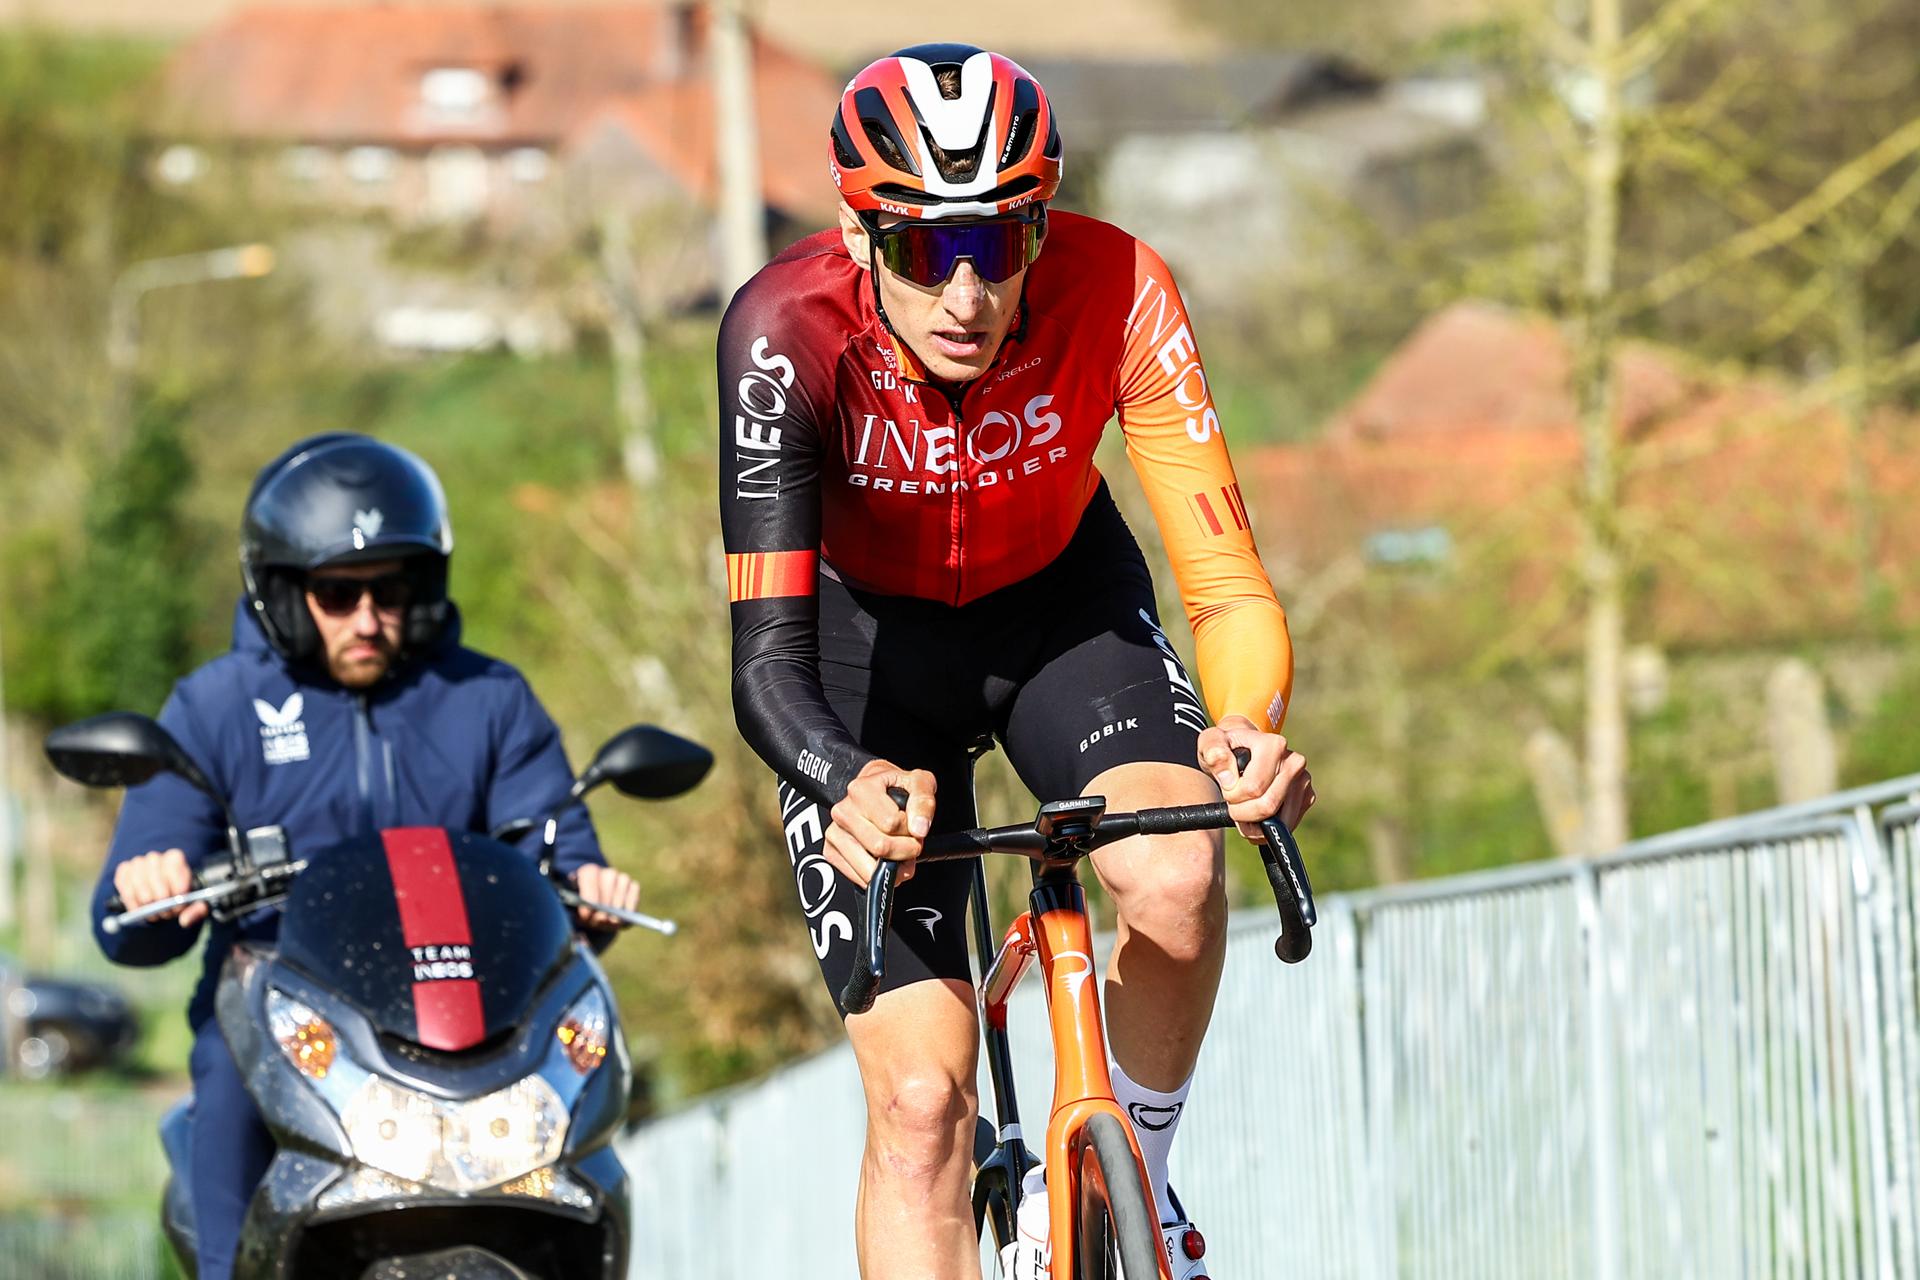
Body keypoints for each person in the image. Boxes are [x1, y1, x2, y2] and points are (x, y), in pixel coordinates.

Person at [718, 44, 1315, 1280]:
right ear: (855, 230)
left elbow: (1224, 578)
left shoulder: (1127, 287)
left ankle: (1130, 1186)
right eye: (923, 248)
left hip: (1061, 611)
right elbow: (765, 662)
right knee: (924, 1107)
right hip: (862, 655)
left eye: (1002, 239)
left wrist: (1249, 722)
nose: (968, 290)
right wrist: (839, 775)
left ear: (1044, 223)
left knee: (1177, 879)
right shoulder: (784, 330)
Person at [90, 433, 640, 1280]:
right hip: (287, 1012)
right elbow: (125, 925)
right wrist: (150, 880)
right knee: (228, 1084)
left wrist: (589, 888)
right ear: (281, 592)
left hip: (481, 1022)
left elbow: (555, 856)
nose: (367, 618)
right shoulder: (214, 707)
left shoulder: (489, 699)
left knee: (587, 1111)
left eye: (391, 590)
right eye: (337, 593)